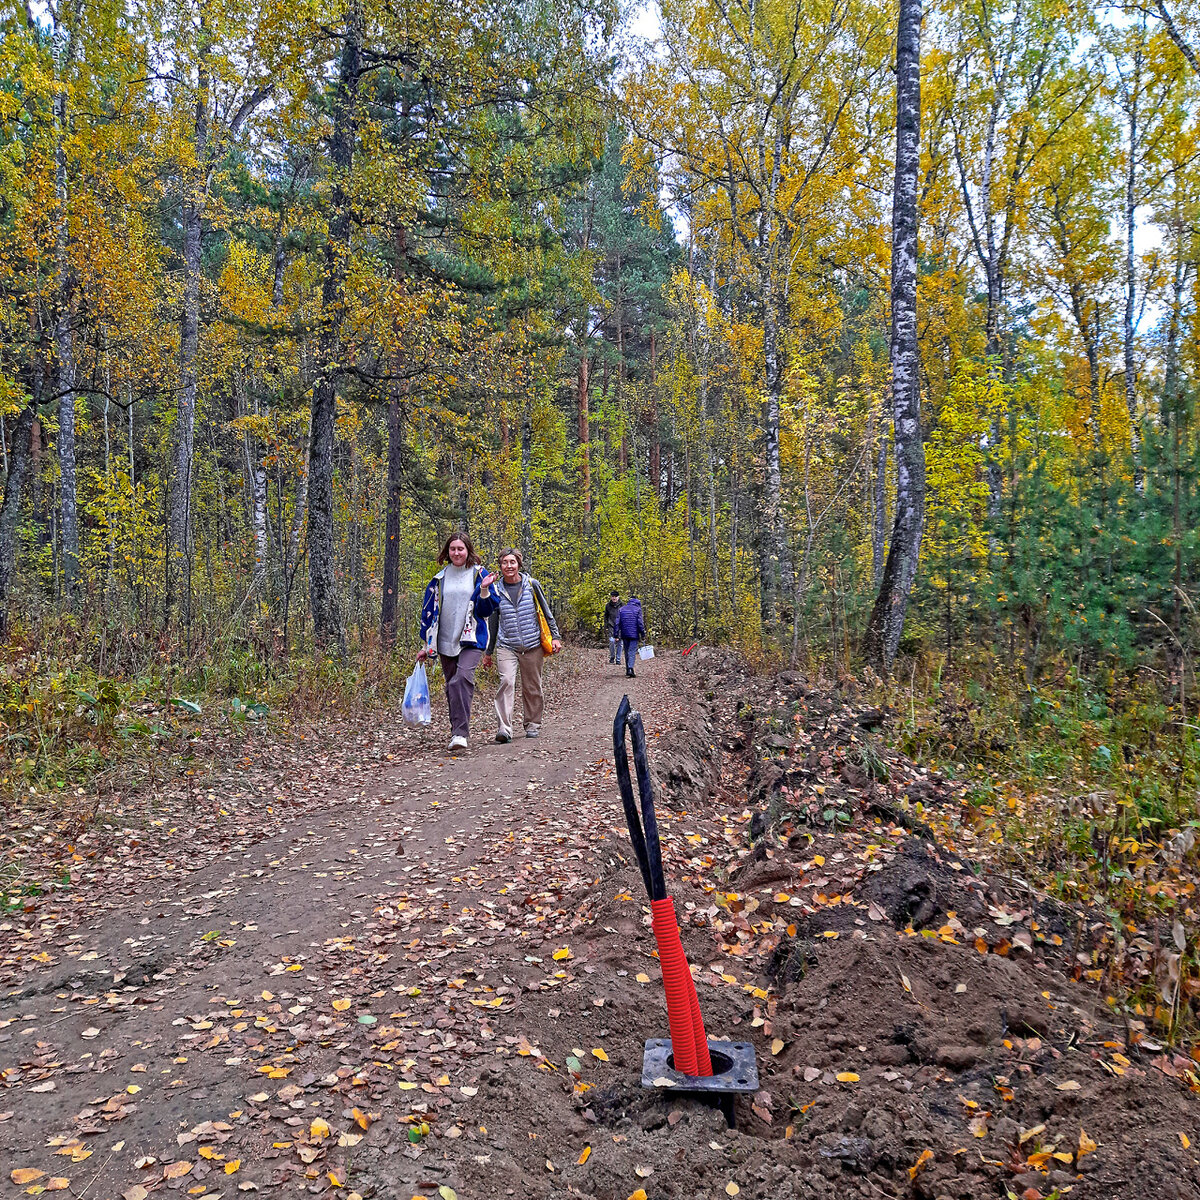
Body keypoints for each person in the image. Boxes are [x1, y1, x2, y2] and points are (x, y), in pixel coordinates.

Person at [417, 532, 497, 751]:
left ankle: (461, 734)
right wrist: (426, 646)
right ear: (447, 552)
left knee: (461, 679)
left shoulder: (479, 574)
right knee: (452, 684)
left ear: (468, 550)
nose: (456, 553)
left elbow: (488, 609)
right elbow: (428, 614)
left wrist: (484, 590)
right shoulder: (439, 579)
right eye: (452, 549)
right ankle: (456, 732)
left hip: (471, 639)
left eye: (460, 549)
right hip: (444, 641)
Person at [484, 548, 561, 742]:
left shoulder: (532, 585)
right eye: (504, 562)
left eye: (512, 562)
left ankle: (533, 724)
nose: (508, 566)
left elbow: (546, 611)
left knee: (532, 686)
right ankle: (504, 728)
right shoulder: (496, 590)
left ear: (519, 563)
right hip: (506, 645)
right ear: (500, 565)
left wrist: (555, 636)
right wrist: (488, 651)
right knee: (506, 682)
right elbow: (493, 623)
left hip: (533, 644)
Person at [617, 593, 646, 678]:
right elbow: (640, 623)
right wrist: (642, 634)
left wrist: (616, 634)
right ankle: (630, 668)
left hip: (624, 633)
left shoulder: (622, 609)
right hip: (634, 634)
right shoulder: (638, 609)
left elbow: (617, 623)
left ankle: (627, 670)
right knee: (632, 651)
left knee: (626, 651)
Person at [603, 591, 622, 664]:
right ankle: (612, 657)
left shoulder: (622, 605)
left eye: (615, 596)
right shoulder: (608, 605)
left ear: (618, 597)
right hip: (611, 626)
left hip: (620, 626)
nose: (614, 598)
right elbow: (606, 616)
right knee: (611, 641)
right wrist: (606, 625)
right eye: (612, 596)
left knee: (620, 643)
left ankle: (618, 659)